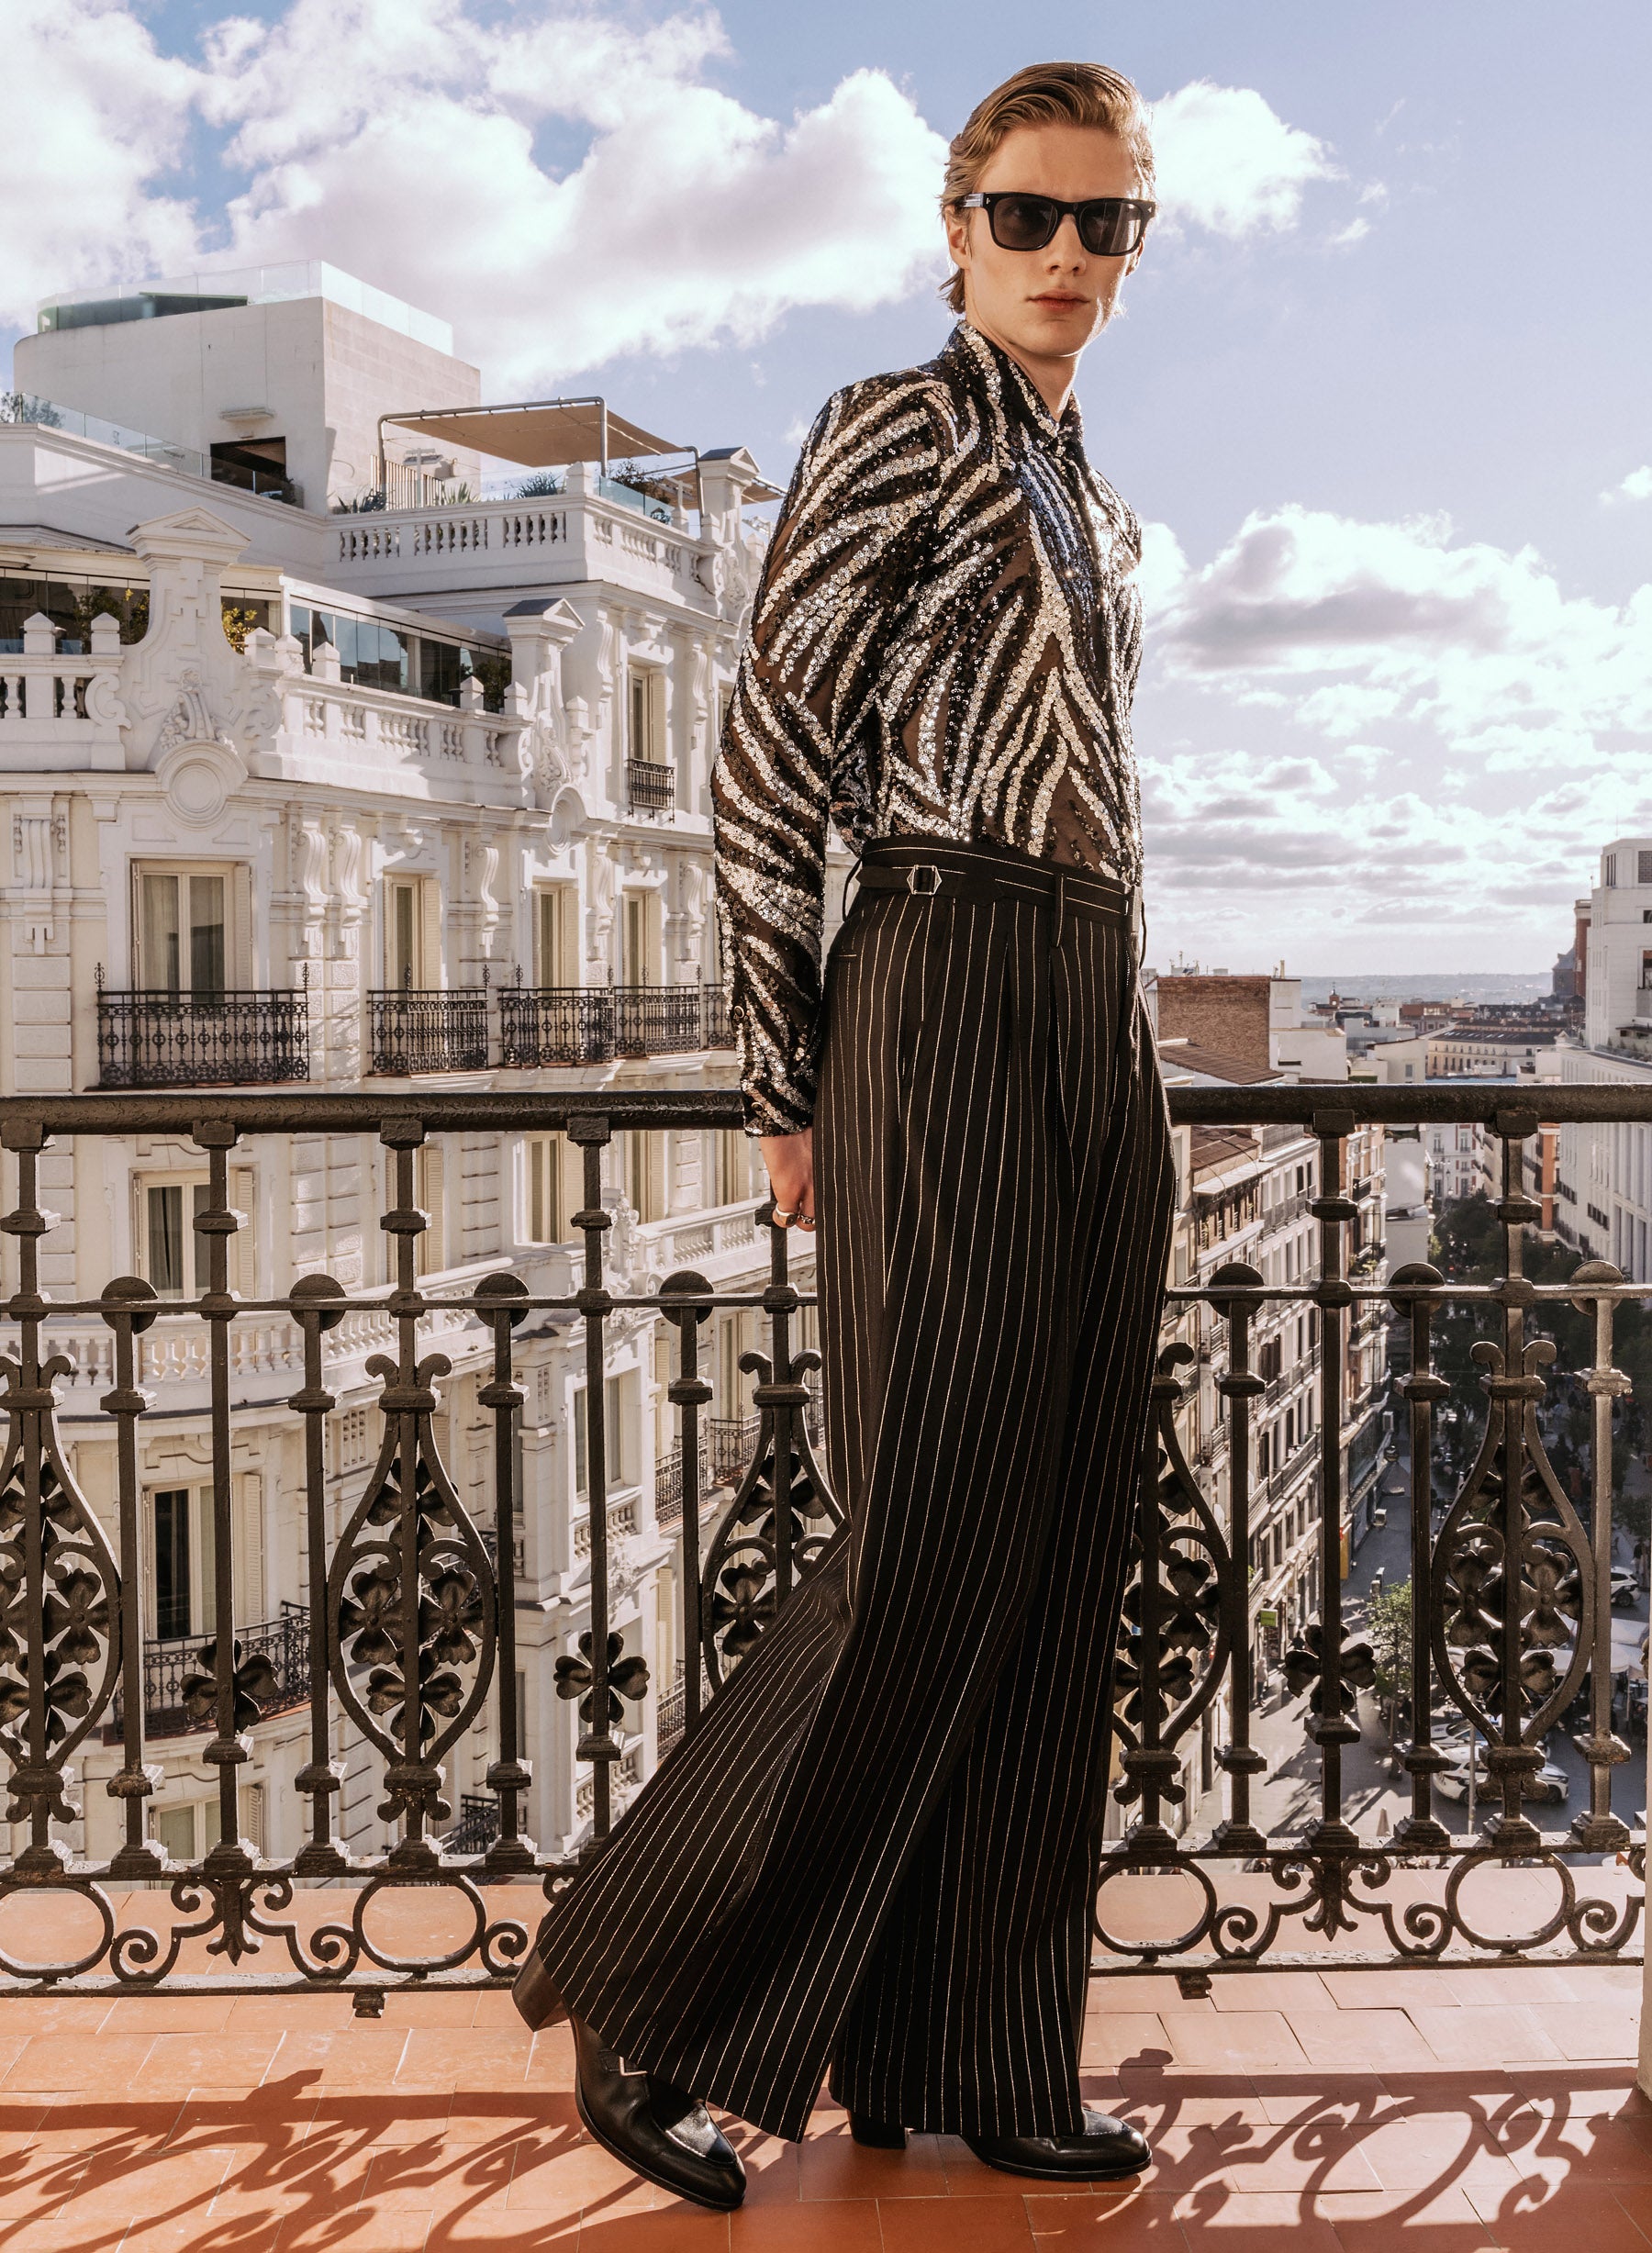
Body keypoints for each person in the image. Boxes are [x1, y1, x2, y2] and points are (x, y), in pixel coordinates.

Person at [513, 58, 1175, 2213]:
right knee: (927, 1529)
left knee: (1054, 1550)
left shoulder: (1091, 489)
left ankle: (973, 2051)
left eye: (1105, 222)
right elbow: (769, 751)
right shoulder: (897, 425)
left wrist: (1128, 1042)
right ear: (956, 229)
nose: (1066, 255)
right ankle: (643, 1976)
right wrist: (784, 1072)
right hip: (942, 979)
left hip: (1095, 1003)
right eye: (1029, 215)